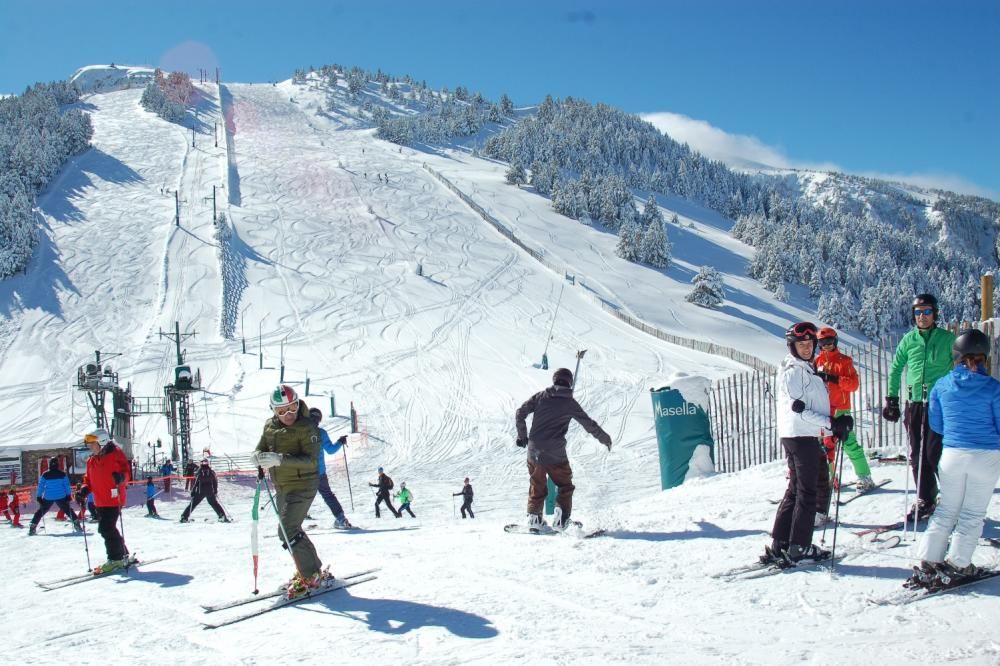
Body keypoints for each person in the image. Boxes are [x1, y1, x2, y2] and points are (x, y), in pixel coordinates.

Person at [906, 329, 1000, 589]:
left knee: (947, 509)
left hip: (952, 454)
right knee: (972, 513)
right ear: (984, 356)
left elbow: (937, 424)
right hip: (986, 456)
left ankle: (929, 560)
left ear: (956, 355)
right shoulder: (993, 388)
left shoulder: (942, 385)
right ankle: (958, 565)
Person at [761, 322, 853, 566]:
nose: (806, 348)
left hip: (800, 435)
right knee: (807, 492)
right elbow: (799, 410)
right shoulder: (795, 372)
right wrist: (832, 424)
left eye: (809, 344)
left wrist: (831, 421)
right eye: (801, 344)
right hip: (801, 436)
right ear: (792, 346)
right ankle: (799, 545)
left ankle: (782, 541)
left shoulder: (804, 369)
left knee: (795, 489)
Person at [250, 384, 330, 599]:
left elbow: (311, 461)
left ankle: (311, 574)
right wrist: (258, 456)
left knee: (288, 529)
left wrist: (279, 459)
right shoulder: (269, 427)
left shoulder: (308, 428)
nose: (289, 415)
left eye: (292, 408)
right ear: (273, 411)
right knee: (289, 529)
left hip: (304, 484)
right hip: (282, 484)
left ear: (298, 404)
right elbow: (262, 447)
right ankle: (312, 569)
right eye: (282, 411)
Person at [883, 294, 956, 522]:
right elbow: (896, 369)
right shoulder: (909, 340)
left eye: (926, 312)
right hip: (914, 403)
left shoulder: (948, 339)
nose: (922, 317)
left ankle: (953, 497)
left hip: (939, 403)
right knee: (917, 453)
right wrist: (892, 399)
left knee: (936, 453)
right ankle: (926, 497)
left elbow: (959, 367)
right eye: (917, 312)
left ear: (935, 313)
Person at [515, 367, 612, 530]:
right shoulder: (569, 403)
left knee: (537, 483)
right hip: (555, 453)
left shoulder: (540, 397)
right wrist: (605, 438)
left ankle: (534, 519)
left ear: (554, 380)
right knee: (565, 485)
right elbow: (588, 424)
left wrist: (522, 436)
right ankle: (561, 519)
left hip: (534, 450)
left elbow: (520, 413)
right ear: (570, 383)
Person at [813, 327, 875, 523]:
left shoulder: (844, 361)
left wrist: (834, 379)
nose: (827, 345)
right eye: (823, 343)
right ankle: (830, 480)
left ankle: (864, 476)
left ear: (836, 341)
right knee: (826, 448)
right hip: (824, 411)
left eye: (830, 341)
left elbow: (853, 384)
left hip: (841, 410)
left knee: (849, 444)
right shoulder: (818, 362)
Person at [79, 428, 131, 573]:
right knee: (110, 528)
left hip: (114, 499)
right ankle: (123, 553)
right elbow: (88, 479)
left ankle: (116, 559)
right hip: (100, 501)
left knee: (106, 528)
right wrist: (84, 489)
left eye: (93, 444)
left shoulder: (116, 454)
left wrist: (121, 478)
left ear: (101, 443)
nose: (90, 447)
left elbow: (126, 473)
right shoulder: (92, 460)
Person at [307, 407, 353, 528]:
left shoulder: (301, 432)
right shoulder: (321, 433)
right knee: (328, 495)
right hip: (320, 473)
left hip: (305, 472)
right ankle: (341, 519)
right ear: (319, 420)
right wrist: (340, 442)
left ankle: (293, 523)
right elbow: (331, 450)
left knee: (301, 496)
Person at [29, 458, 83, 535]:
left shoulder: (45, 474)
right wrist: (68, 495)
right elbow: (67, 486)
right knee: (68, 510)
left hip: (48, 496)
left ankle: (33, 526)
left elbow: (41, 486)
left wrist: (39, 496)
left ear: (49, 465)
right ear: (58, 464)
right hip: (61, 496)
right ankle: (77, 524)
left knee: (41, 511)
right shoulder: (62, 474)